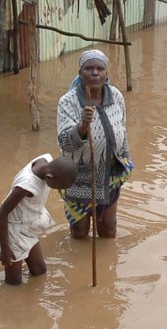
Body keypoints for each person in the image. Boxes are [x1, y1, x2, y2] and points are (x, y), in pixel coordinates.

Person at [57, 49, 134, 240]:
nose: (94, 73)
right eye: (89, 68)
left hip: (109, 174)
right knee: (80, 232)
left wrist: (126, 160)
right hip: (79, 177)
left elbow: (122, 130)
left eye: (100, 69)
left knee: (108, 230)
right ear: (80, 73)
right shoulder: (68, 102)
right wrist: (82, 126)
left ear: (107, 74)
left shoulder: (116, 96)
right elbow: (65, 143)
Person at [0, 154, 78, 286]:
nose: (58, 190)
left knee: (39, 270)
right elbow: (3, 213)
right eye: (58, 187)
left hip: (28, 225)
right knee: (14, 282)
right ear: (50, 177)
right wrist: (5, 249)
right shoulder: (26, 186)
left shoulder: (47, 161)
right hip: (13, 231)